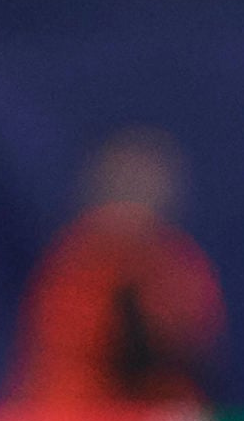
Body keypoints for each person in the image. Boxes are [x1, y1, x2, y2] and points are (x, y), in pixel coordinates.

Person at [12, 128, 223, 406]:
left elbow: (191, 352)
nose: (133, 211)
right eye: (124, 193)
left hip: (157, 416)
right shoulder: (76, 265)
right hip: (78, 414)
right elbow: (67, 358)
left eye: (144, 195)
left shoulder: (179, 266)